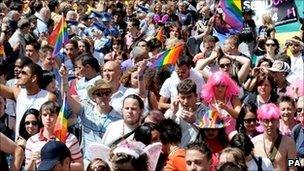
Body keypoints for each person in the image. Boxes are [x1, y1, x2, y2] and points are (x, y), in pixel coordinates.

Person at [0, 62, 56, 139]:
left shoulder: (49, 97)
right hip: (20, 145)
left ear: (33, 78)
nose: (19, 75)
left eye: (23, 73)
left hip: (40, 145)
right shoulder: (18, 93)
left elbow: (54, 123)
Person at [25, 101, 83, 171]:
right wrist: (32, 161)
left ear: (58, 116)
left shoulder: (70, 139)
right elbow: (27, 169)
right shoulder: (31, 141)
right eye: (45, 115)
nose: (48, 118)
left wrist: (61, 165)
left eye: (52, 115)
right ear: (40, 117)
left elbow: (80, 166)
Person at [252, 103, 297, 171]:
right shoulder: (254, 142)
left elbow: (293, 168)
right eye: (266, 121)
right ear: (261, 121)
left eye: (273, 120)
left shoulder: (289, 142)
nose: (270, 124)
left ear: (278, 121)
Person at [165, 79, 209, 147]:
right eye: (182, 97)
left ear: (196, 96)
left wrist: (194, 122)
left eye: (189, 97)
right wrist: (173, 113)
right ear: (178, 97)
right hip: (179, 152)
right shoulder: (173, 111)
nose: (186, 101)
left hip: (198, 152)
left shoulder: (206, 112)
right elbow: (165, 132)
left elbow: (210, 135)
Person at [292, 96, 304, 164]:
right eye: (299, 109)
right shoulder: (296, 130)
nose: (302, 112)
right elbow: (289, 162)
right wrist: (299, 162)